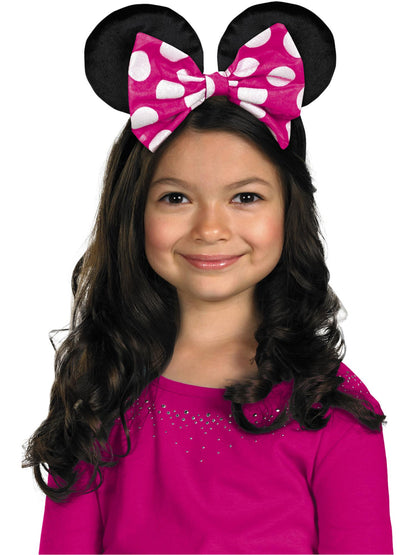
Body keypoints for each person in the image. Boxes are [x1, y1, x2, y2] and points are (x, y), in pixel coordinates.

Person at [23, 3, 393, 554]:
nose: (211, 229)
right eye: (176, 198)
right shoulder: (101, 388)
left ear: (289, 211)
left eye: (246, 197)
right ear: (133, 213)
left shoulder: (330, 408)